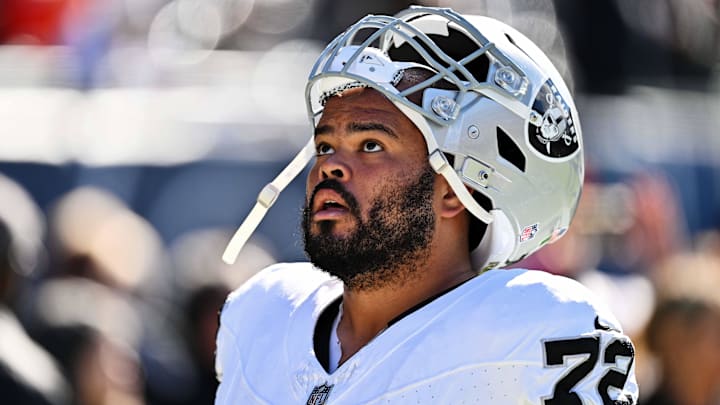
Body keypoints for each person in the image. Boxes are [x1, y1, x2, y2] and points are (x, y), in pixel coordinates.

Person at [215, 6, 639, 404]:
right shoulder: (262, 313)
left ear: (457, 190)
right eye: (325, 145)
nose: (332, 167)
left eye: (370, 144)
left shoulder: (536, 334)